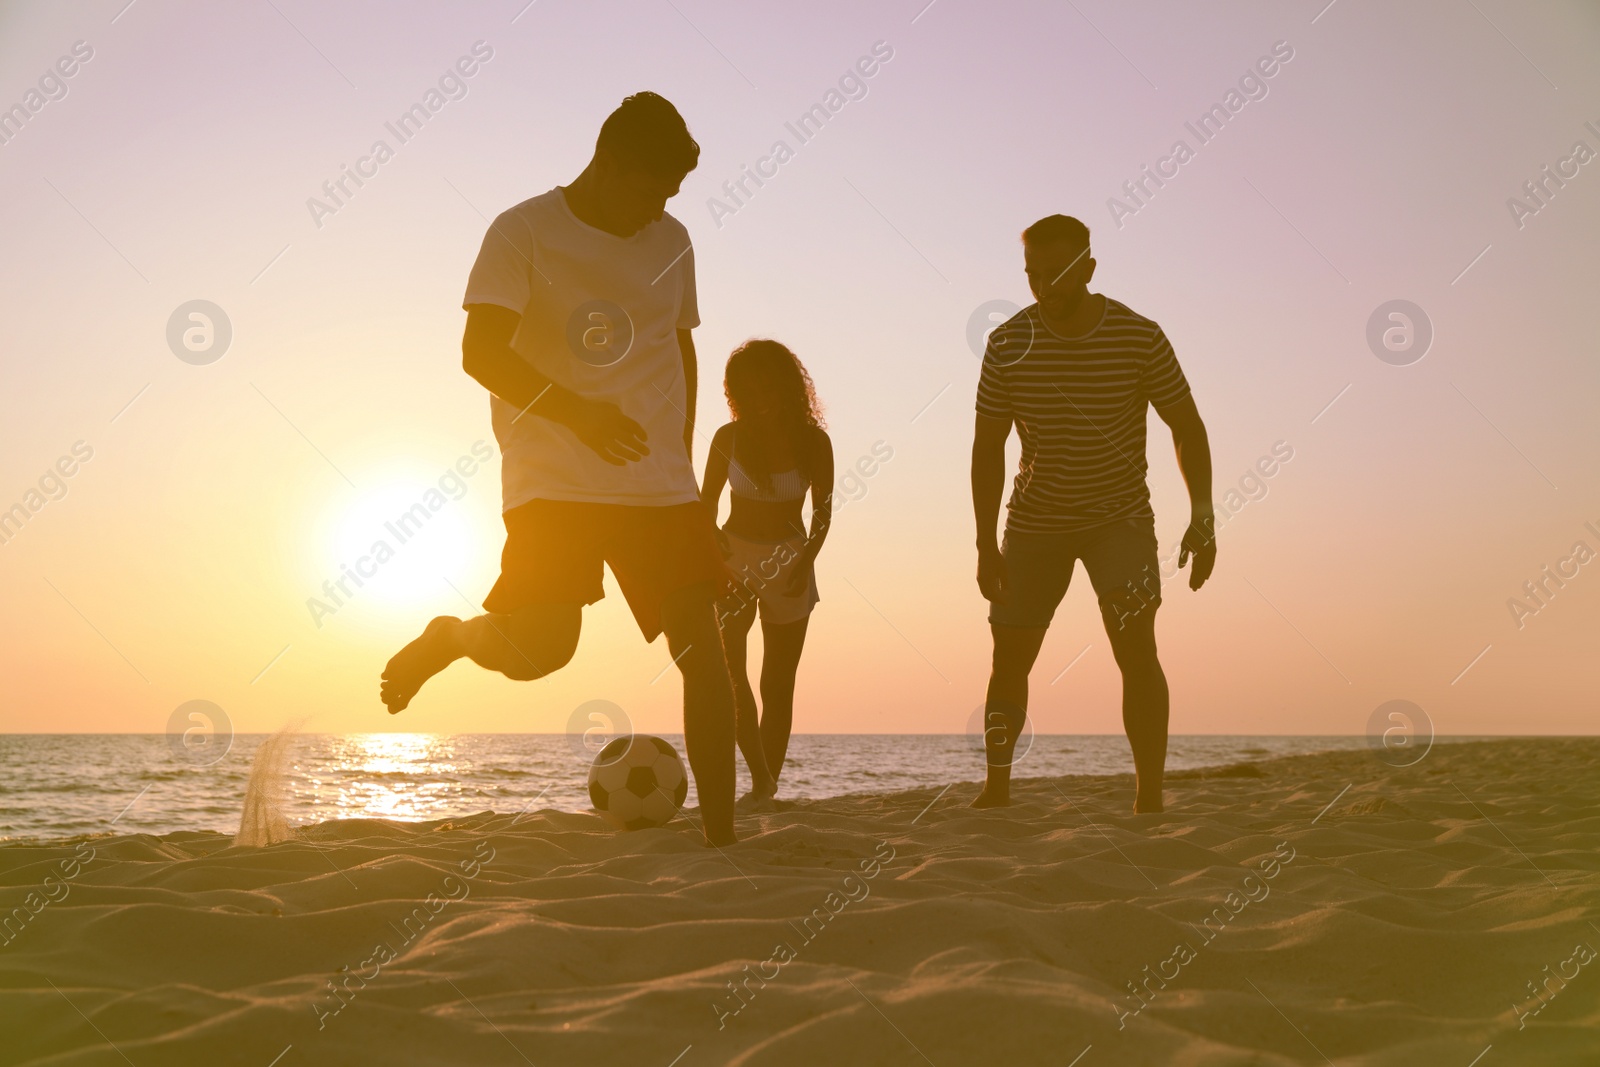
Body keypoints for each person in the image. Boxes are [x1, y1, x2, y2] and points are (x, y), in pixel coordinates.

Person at [379, 92, 741, 846]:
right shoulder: (522, 231)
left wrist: (681, 444)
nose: (660, 208)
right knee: (542, 650)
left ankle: (721, 836)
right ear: (607, 162)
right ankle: (451, 637)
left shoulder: (672, 238)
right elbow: (480, 353)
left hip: (658, 482)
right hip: (553, 473)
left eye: (672, 194)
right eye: (651, 188)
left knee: (702, 651)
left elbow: (680, 344)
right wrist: (581, 414)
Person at [970, 214, 1215, 814]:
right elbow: (986, 447)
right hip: (1035, 523)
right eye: (1033, 276)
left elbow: (1185, 425)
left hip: (1120, 521)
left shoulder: (1139, 336)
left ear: (1089, 268)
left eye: (1058, 274)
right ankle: (996, 790)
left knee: (1137, 652)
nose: (1045, 288)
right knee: (1009, 659)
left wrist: (1202, 515)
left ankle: (1149, 797)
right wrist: (984, 543)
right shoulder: (1007, 342)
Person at [699, 340, 833, 800]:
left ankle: (765, 789)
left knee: (777, 684)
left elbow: (824, 514)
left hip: (791, 564)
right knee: (733, 675)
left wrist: (808, 559)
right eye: (746, 391)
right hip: (734, 561)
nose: (758, 400)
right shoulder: (727, 438)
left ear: (787, 387)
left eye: (765, 388)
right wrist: (713, 540)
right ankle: (759, 777)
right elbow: (705, 503)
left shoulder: (815, 442)